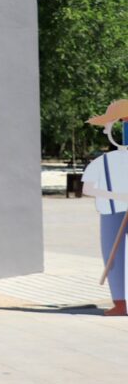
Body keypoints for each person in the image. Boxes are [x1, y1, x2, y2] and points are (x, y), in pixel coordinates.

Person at [82, 99, 128, 316]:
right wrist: (117, 196)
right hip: (112, 213)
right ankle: (120, 302)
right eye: (121, 124)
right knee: (114, 256)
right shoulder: (103, 162)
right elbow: (88, 189)